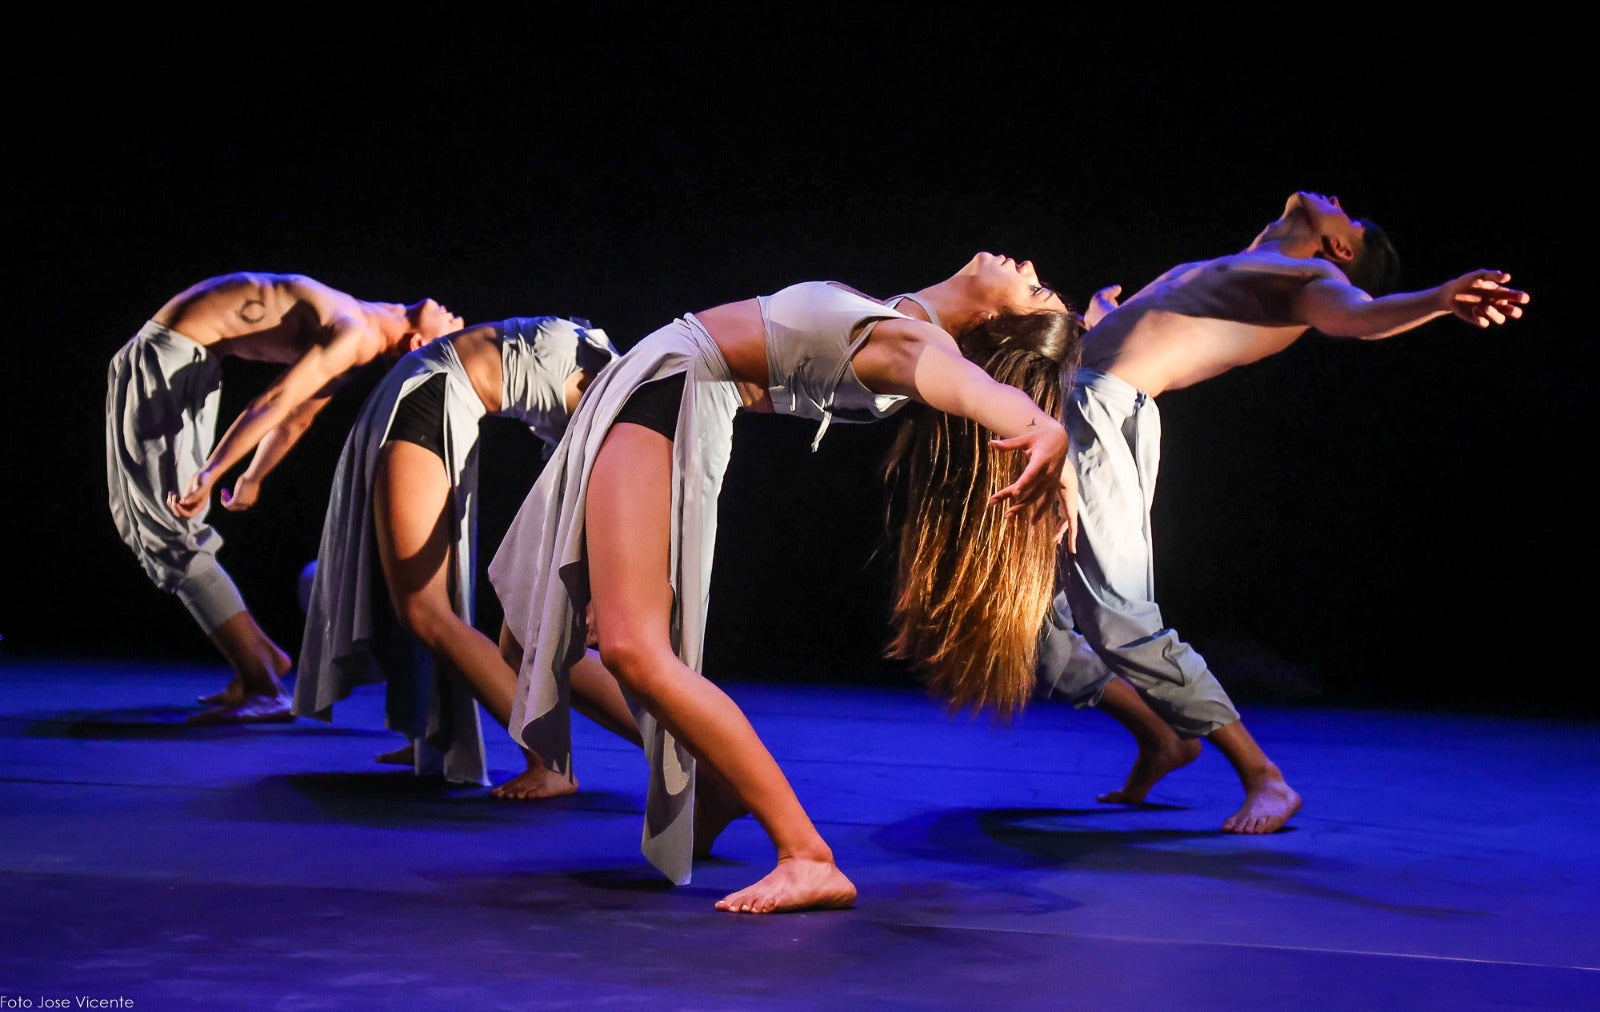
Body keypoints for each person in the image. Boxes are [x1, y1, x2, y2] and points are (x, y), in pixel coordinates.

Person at [489, 253, 1081, 913]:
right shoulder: (903, 325)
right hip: (662, 392)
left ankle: (807, 853)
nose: (1024, 263)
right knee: (608, 644)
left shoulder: (913, 345)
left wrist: (1040, 426)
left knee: (632, 649)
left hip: (666, 394)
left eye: (1033, 288)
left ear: (996, 319)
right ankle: (718, 791)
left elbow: (983, 393)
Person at [1034, 192, 1530, 834]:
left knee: (1117, 617)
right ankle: (1161, 737)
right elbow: (1156, 330)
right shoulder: (1237, 267)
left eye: (1348, 214)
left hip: (1100, 416)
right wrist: (1105, 320)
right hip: (1072, 406)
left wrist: (1440, 299)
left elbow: (1362, 316)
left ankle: (1264, 777)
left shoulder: (1313, 279)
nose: (1338, 202)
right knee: (1035, 618)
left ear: (1340, 249)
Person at [294, 314, 643, 794]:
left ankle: (556, 760)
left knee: (428, 611)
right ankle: (439, 735)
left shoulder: (608, 406)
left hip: (431, 397)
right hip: (431, 392)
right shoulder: (604, 391)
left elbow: (606, 498)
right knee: (493, 626)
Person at [107, 272, 463, 724]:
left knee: (168, 534)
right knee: (143, 525)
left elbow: (279, 401)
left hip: (173, 358)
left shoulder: (354, 336)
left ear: (416, 345)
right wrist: (254, 476)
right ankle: (260, 661)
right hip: (172, 355)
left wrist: (214, 471)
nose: (458, 318)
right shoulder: (361, 324)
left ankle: (261, 683)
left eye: (454, 331)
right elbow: (295, 419)